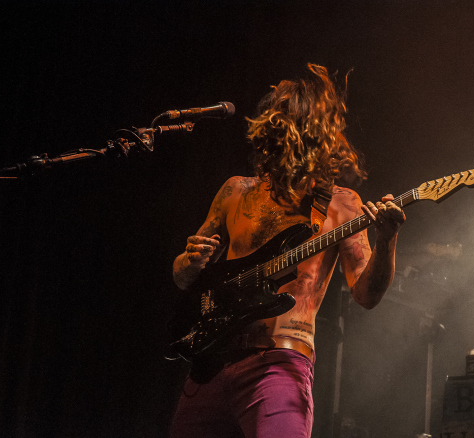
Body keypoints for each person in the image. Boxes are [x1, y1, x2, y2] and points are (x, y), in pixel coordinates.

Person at [169, 64, 405, 438]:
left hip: (279, 362)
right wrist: (189, 260)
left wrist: (388, 239)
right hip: (211, 362)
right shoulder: (235, 191)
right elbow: (184, 278)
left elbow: (366, 295)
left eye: (289, 124)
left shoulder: (340, 205)